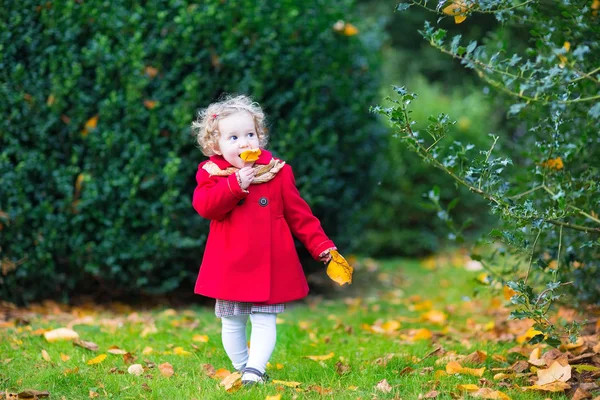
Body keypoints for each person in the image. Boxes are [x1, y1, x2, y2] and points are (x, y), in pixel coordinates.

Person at [190, 94, 336, 385]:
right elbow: (205, 207)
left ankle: (255, 369)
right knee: (232, 320)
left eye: (250, 134)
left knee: (265, 317)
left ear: (260, 137)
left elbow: (300, 215)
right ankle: (243, 365)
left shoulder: (277, 172)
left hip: (270, 260)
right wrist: (234, 185)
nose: (244, 143)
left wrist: (321, 245)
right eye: (233, 137)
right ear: (215, 146)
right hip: (230, 261)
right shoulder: (214, 174)